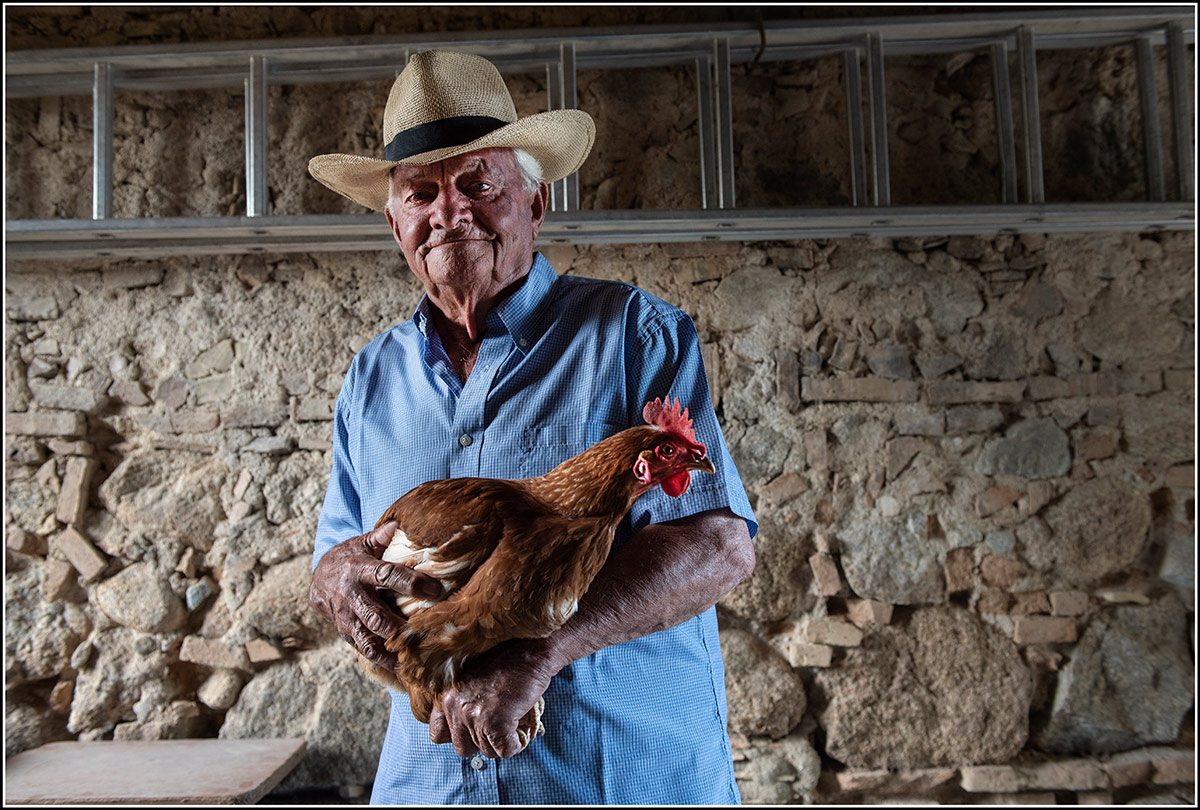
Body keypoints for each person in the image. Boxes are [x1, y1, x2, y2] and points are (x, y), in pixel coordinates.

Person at [307, 50, 758, 805]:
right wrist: (334, 580)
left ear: (534, 204)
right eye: (421, 194)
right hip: (431, 787)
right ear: (395, 224)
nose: (449, 213)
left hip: (613, 780)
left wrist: (545, 651)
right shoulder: (371, 380)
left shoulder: (631, 335)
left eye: (477, 186)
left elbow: (717, 547)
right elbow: (335, 554)